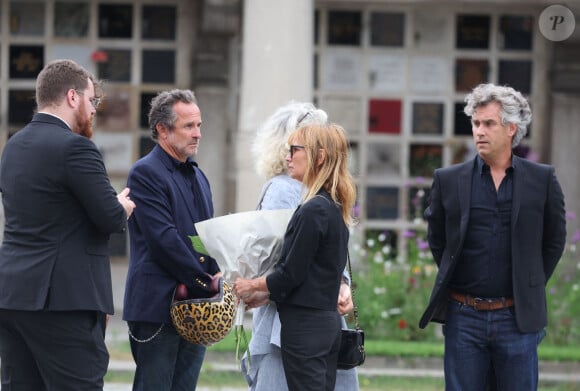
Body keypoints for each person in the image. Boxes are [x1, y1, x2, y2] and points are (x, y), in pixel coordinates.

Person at [418, 83, 567, 391]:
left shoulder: (542, 180)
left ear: (512, 128)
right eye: (475, 123)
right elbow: (438, 239)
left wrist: (530, 282)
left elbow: (554, 240)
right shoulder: (448, 180)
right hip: (464, 318)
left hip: (516, 318)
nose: (479, 131)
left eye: (488, 123)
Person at [0, 59, 136, 390]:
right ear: (72, 97)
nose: (93, 110)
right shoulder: (76, 148)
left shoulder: (12, 148)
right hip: (64, 301)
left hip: (13, 297)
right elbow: (111, 218)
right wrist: (122, 204)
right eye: (92, 101)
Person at [240, 102, 360, 391]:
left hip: (298, 324)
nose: (289, 155)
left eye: (296, 148)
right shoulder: (333, 202)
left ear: (318, 155)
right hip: (322, 319)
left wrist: (251, 285)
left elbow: (287, 270)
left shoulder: (309, 205)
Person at [123, 89, 221, 390]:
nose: (198, 134)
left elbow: (205, 236)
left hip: (196, 306)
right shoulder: (144, 173)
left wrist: (218, 272)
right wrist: (206, 281)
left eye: (199, 125)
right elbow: (164, 240)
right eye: (189, 126)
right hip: (158, 306)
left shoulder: (198, 175)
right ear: (162, 130)